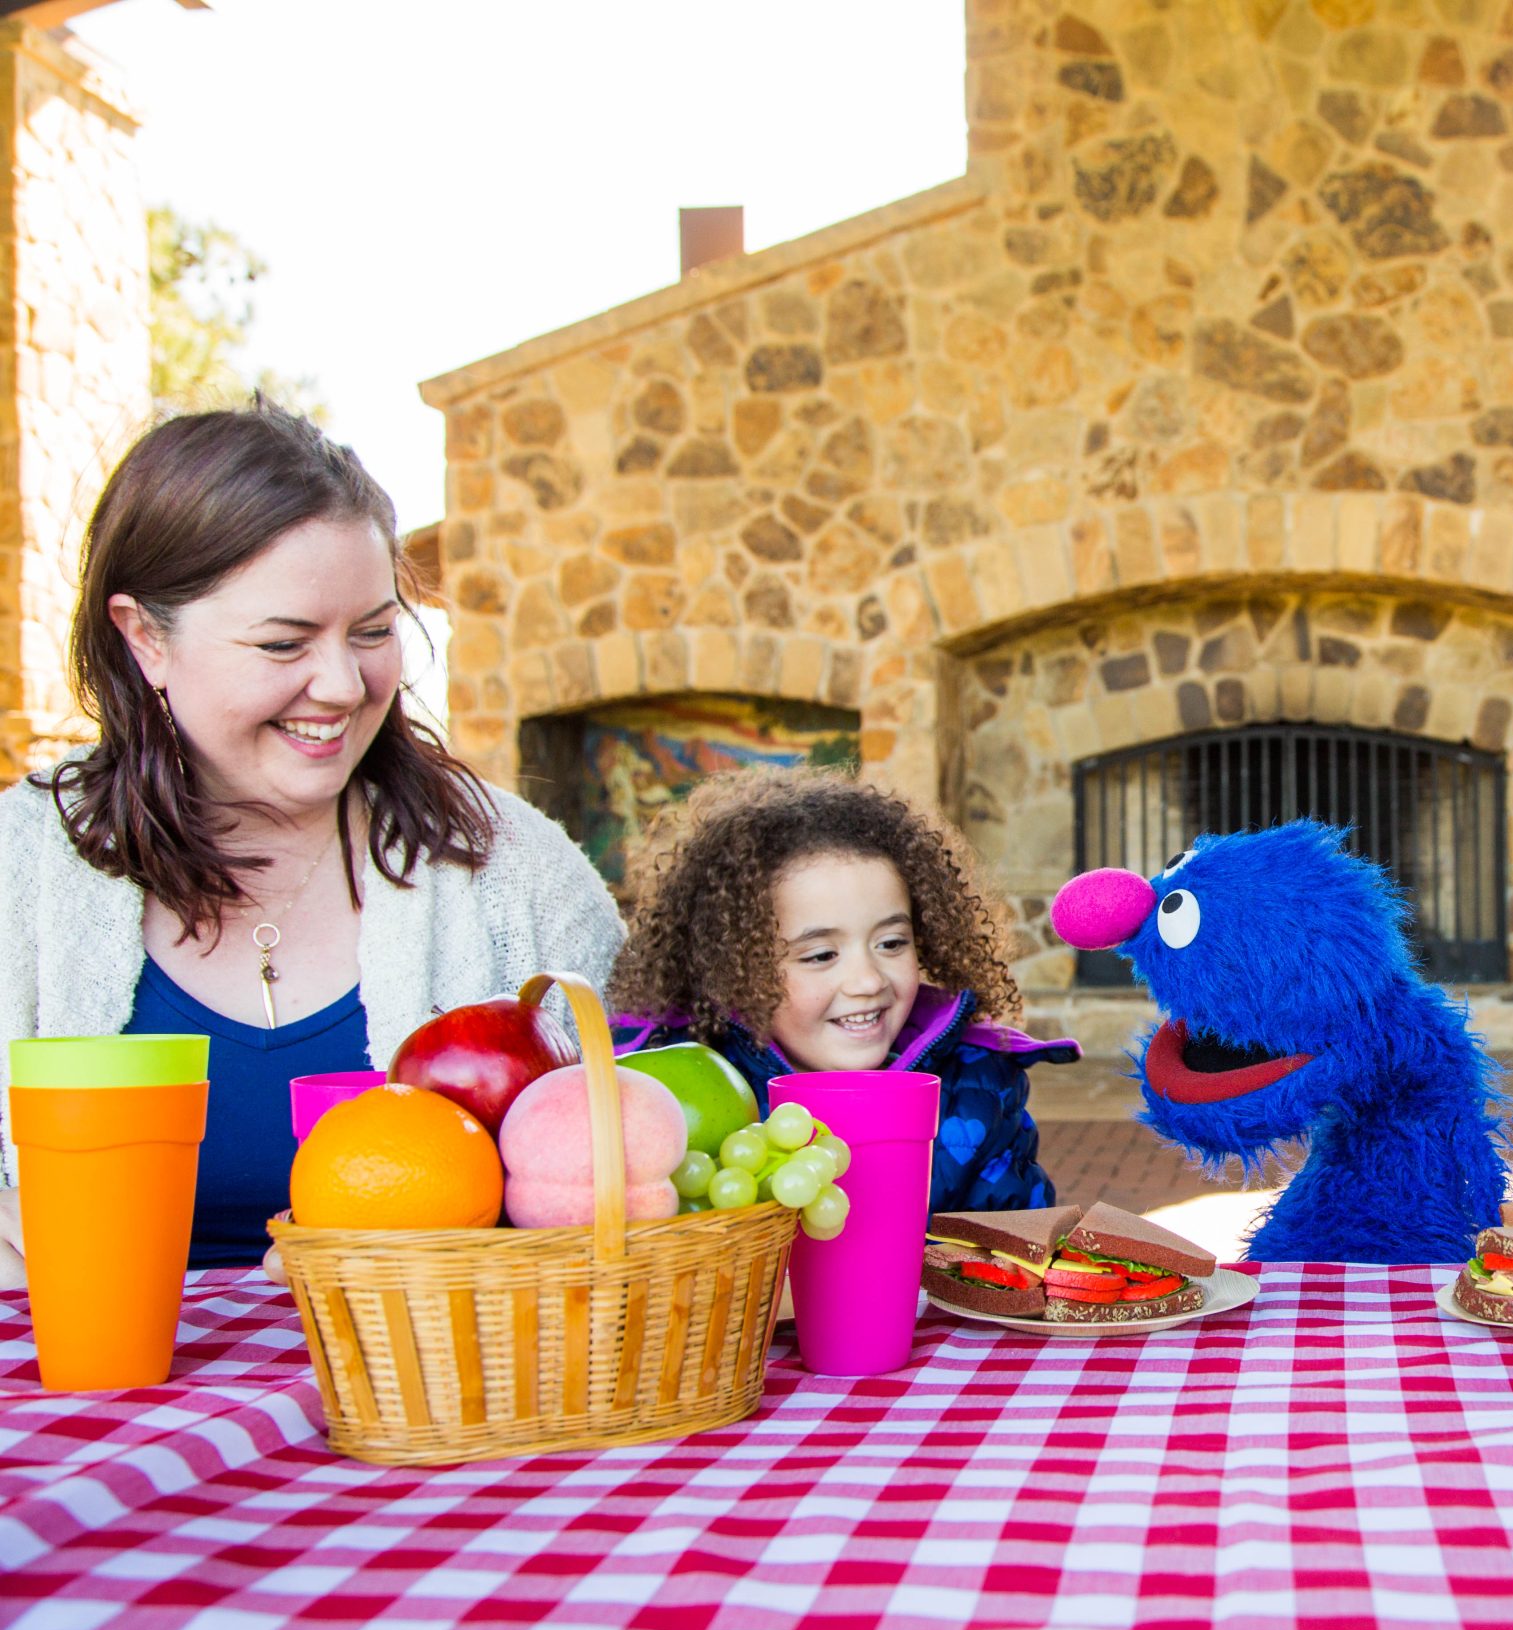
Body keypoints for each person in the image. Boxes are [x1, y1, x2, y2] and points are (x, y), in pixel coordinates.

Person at [0, 403, 623, 1275]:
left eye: (373, 631)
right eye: (283, 642)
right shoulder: (20, 864)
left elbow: (634, 1174)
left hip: (440, 1397)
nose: (340, 684)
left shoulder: (511, 870)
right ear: (144, 637)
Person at [607, 766, 1078, 1215]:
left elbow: (1019, 1253)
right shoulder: (674, 1098)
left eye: (891, 943)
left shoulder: (981, 1087)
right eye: (821, 955)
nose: (868, 981)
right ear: (735, 968)